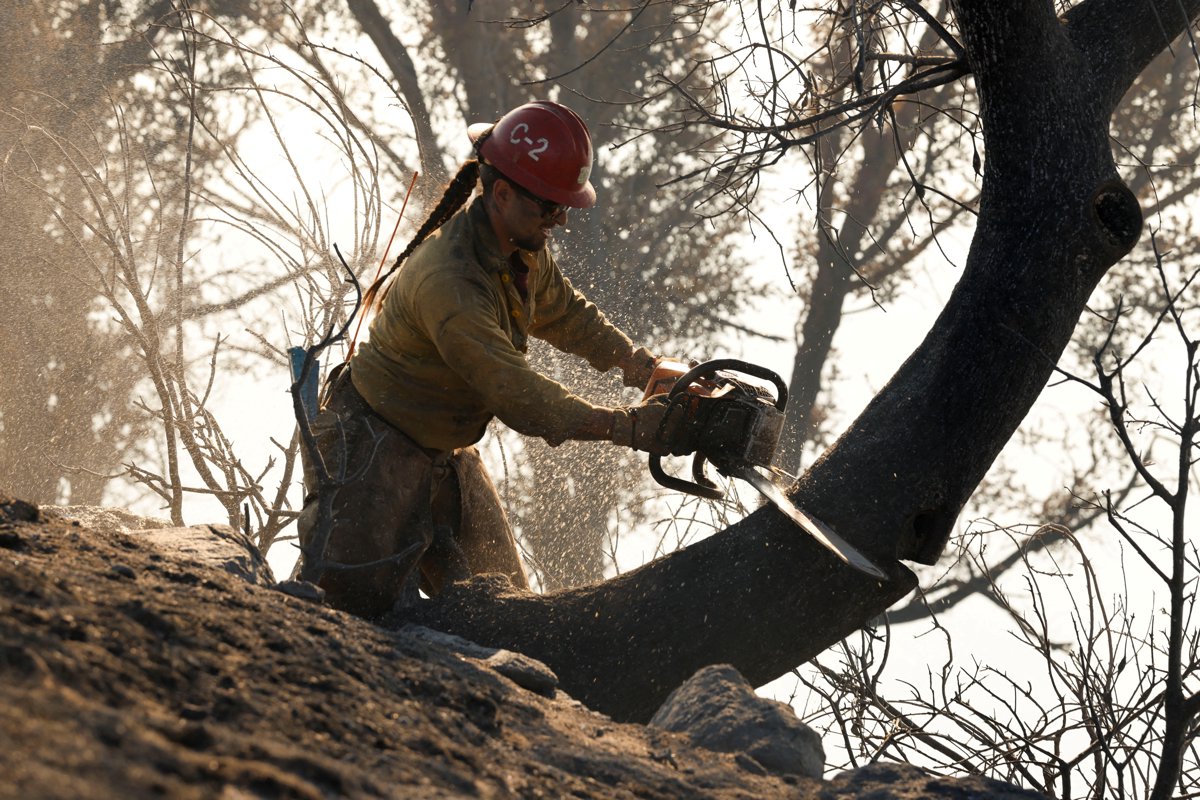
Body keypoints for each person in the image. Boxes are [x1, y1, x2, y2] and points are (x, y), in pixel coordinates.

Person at [297, 100, 690, 619]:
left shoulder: (522, 245)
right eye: (549, 207)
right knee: (344, 616)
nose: (561, 220)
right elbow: (516, 394)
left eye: (563, 206)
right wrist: (628, 428)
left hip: (448, 456)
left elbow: (566, 314)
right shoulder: (451, 281)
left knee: (510, 610)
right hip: (372, 449)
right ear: (502, 194)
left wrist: (645, 367)